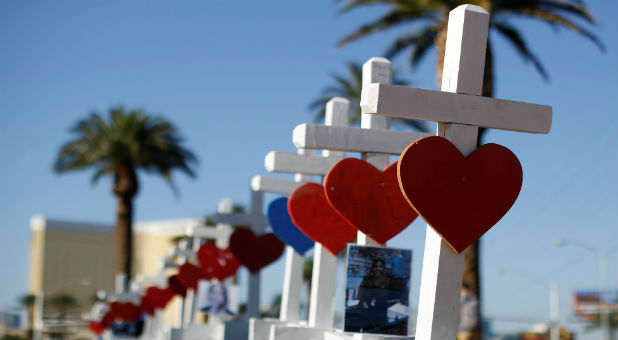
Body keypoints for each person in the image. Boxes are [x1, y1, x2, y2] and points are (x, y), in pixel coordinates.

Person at [356, 259, 390, 331]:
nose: (378, 268)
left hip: (381, 313)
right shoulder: (367, 279)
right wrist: (368, 309)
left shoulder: (387, 281)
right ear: (373, 268)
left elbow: (387, 298)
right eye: (375, 266)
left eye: (380, 266)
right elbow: (360, 296)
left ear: (383, 268)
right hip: (366, 311)